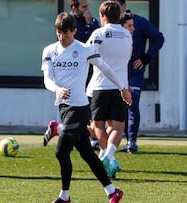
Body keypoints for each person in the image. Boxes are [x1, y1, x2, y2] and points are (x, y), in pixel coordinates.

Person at [41, 11, 130, 203]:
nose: (62, 37)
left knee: (61, 152)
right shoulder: (49, 51)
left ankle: (64, 196)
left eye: (65, 32)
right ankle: (112, 191)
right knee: (88, 154)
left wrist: (122, 87)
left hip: (80, 108)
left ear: (74, 31)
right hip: (63, 108)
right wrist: (57, 89)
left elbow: (105, 68)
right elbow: (47, 79)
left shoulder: (84, 50)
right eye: (59, 32)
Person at [85, 1, 133, 179]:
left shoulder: (98, 33)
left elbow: (89, 55)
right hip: (120, 86)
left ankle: (106, 157)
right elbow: (125, 59)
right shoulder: (127, 35)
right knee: (118, 128)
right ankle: (109, 156)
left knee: (98, 126)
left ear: (102, 16)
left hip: (99, 86)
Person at [45, 0, 101, 149]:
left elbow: (94, 47)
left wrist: (90, 24)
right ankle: (59, 128)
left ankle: (58, 128)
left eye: (88, 6)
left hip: (88, 70)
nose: (87, 10)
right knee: (76, 148)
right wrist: (57, 89)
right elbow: (80, 41)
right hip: (72, 83)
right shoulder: (68, 23)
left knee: (81, 149)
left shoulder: (92, 21)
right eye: (84, 7)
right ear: (74, 8)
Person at [111, 0, 165, 154]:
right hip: (117, 72)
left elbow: (159, 38)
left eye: (116, 6)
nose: (113, 10)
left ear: (124, 6)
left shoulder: (139, 21)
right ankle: (111, 141)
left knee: (131, 103)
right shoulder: (111, 25)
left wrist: (146, 57)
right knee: (117, 105)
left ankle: (131, 142)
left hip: (134, 72)